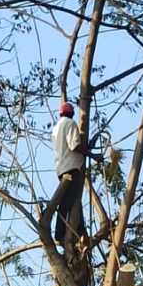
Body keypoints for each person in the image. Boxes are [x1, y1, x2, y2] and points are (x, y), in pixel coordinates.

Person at [51, 101, 102, 246]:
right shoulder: (70, 123)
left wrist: (89, 146)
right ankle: (59, 233)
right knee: (67, 201)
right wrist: (94, 156)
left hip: (61, 168)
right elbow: (74, 146)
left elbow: (72, 148)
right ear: (72, 113)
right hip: (71, 168)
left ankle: (81, 231)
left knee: (75, 201)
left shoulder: (56, 128)